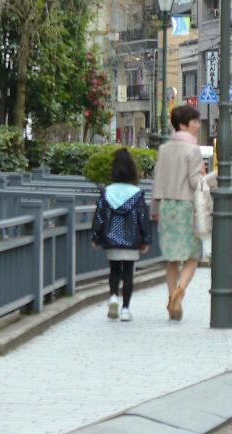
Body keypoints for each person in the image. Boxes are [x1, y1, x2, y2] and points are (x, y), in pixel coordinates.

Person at [150, 105, 207, 321]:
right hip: (186, 207)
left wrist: (154, 210)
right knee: (193, 256)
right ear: (184, 124)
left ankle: (173, 298)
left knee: (172, 258)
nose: (197, 125)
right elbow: (195, 182)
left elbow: (157, 181)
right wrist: (212, 178)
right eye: (195, 121)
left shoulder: (164, 149)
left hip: (166, 206)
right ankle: (179, 292)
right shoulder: (192, 150)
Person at [91, 149, 151, 322]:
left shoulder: (107, 193)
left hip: (111, 238)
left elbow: (100, 216)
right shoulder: (137, 194)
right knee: (128, 274)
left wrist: (96, 236)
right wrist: (146, 239)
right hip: (132, 239)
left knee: (114, 271)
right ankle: (125, 309)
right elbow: (142, 218)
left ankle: (112, 298)